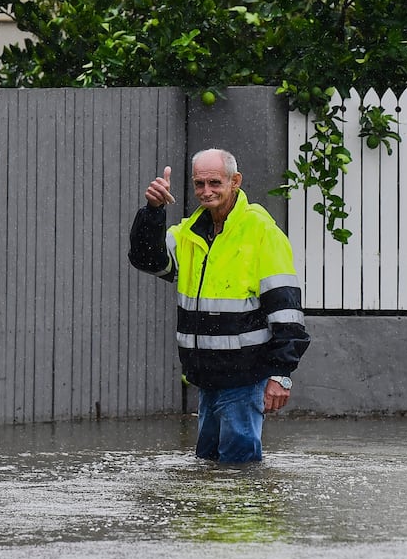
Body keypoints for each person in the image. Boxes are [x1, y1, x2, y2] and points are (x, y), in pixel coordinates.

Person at [127, 148, 309, 462]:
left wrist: (281, 373)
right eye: (199, 184)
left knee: (238, 471)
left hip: (245, 376)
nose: (206, 191)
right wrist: (153, 211)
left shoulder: (261, 232)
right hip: (206, 375)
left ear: (235, 181)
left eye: (215, 182)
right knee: (210, 467)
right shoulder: (190, 232)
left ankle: (245, 513)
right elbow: (146, 258)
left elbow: (286, 309)